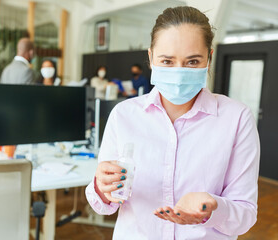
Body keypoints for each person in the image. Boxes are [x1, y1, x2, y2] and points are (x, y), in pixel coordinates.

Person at [85, 6, 259, 240]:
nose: (179, 72)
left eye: (192, 61)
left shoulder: (236, 119)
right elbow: (103, 204)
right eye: (167, 61)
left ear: (209, 57)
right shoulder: (123, 116)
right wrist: (102, 188)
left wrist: (214, 208)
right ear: (150, 57)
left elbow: (245, 215)